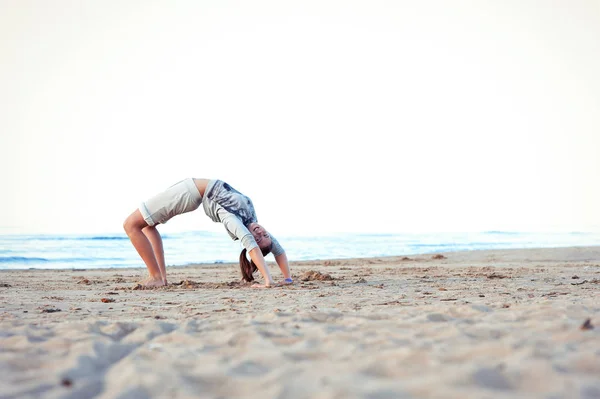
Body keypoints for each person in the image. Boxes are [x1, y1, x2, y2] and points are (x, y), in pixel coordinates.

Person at [123, 178, 292, 288]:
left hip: (188, 193)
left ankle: (156, 277)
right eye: (264, 235)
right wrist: (288, 278)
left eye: (257, 238)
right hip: (191, 190)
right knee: (147, 226)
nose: (259, 233)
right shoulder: (251, 219)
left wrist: (268, 281)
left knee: (131, 225)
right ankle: (161, 278)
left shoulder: (234, 221)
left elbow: (251, 244)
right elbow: (279, 251)